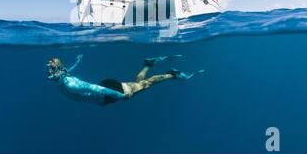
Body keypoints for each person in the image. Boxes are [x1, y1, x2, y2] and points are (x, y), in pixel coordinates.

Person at [46, 55, 203, 106]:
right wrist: (78, 61)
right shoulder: (64, 75)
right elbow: (68, 69)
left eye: (52, 70)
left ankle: (172, 74)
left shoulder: (69, 84)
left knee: (145, 84)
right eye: (48, 70)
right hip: (107, 88)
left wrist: (120, 96)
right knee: (137, 83)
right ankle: (148, 64)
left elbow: (94, 88)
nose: (49, 74)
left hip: (108, 93)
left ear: (58, 70)